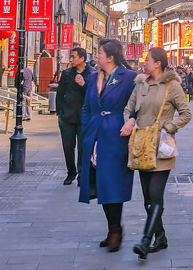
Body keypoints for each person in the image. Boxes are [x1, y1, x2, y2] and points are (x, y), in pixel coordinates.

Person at [121, 47, 192, 260]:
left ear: (158, 63)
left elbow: (186, 113)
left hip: (161, 148)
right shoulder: (140, 83)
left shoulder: (172, 85)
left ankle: (145, 240)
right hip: (142, 146)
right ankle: (160, 237)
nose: (144, 63)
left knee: (155, 195)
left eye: (148, 60)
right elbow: (129, 108)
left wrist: (169, 127)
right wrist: (130, 120)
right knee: (146, 199)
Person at [78, 39, 137, 252]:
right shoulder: (93, 77)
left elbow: (138, 105)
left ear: (110, 57)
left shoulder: (129, 77)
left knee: (112, 182)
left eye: (100, 52)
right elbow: (86, 106)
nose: (97, 56)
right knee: (100, 182)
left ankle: (116, 230)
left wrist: (131, 121)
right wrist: (86, 128)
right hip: (94, 134)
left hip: (116, 135)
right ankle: (112, 228)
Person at [56, 47, 90, 186]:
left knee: (83, 147)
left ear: (82, 59)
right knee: (68, 147)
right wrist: (59, 112)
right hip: (67, 116)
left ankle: (82, 175)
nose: (71, 59)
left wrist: (84, 84)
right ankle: (71, 172)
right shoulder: (67, 73)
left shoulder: (92, 74)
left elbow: (94, 94)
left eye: (74, 57)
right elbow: (60, 93)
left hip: (84, 117)